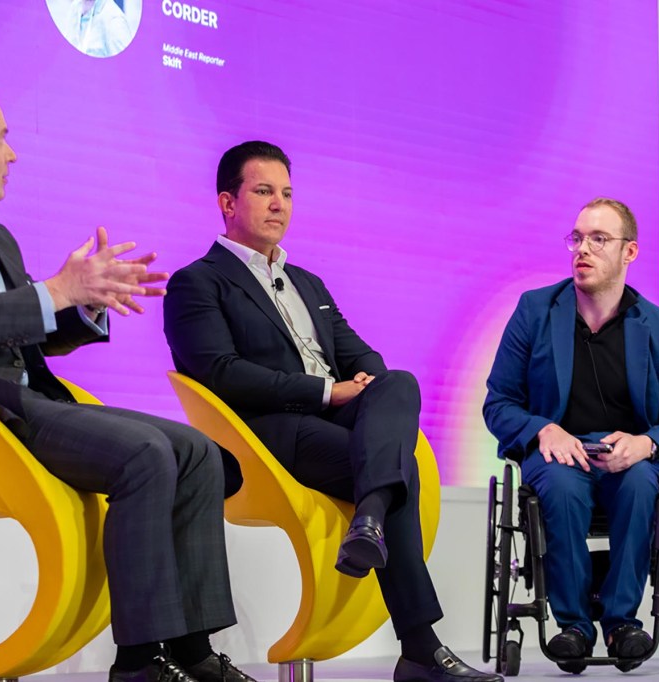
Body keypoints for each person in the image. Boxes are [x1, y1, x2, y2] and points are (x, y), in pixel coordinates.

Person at [0, 82, 254, 682]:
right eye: (2, 138)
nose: (12, 153)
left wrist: (84, 305)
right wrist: (55, 291)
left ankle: (192, 651)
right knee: (146, 455)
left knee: (196, 451)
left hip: (25, 408)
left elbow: (24, 337)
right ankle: (141, 664)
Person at [163, 140, 502, 682]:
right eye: (264, 191)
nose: (280, 204)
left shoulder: (308, 284)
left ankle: (369, 519)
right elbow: (220, 373)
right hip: (264, 435)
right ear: (228, 202)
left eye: (288, 194)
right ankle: (418, 646)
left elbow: (358, 352)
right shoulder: (197, 282)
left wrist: (362, 380)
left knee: (398, 382)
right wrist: (326, 393)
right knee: (398, 470)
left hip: (334, 424)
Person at [483, 198, 659, 666]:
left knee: (644, 483)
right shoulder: (535, 311)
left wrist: (644, 444)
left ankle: (623, 624)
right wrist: (544, 431)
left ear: (630, 252)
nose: (583, 249)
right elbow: (497, 404)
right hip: (558, 455)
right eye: (577, 238)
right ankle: (574, 628)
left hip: (626, 457)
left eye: (599, 239)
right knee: (559, 488)